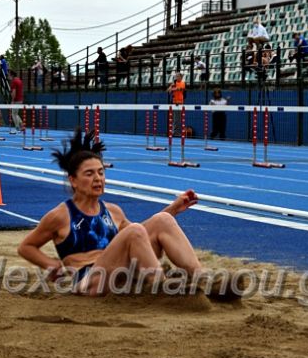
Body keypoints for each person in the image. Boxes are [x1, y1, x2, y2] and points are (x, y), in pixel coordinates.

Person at [17, 128, 241, 299]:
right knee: (134, 230)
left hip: (121, 273)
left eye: (101, 172)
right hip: (89, 281)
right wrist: (52, 265)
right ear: (73, 180)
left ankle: (204, 280)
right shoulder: (61, 215)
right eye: (89, 174)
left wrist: (172, 210)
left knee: (161, 220)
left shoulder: (113, 211)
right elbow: (26, 246)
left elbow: (140, 239)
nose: (98, 179)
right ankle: (163, 288)